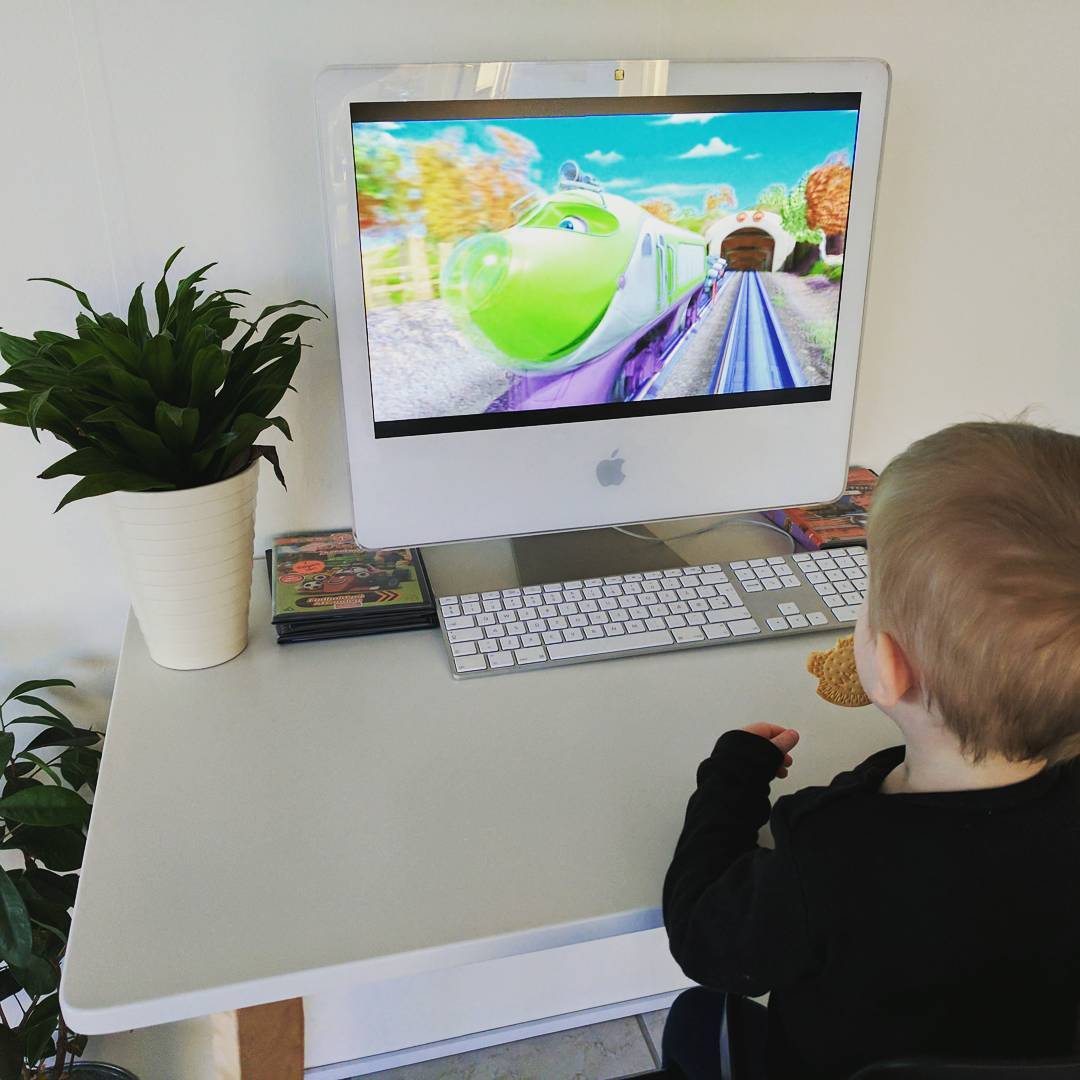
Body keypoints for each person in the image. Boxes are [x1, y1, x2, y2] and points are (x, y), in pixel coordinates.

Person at [661, 421, 1080, 1080]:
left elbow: (703, 938)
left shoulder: (827, 847)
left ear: (887, 669)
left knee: (696, 1018)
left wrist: (731, 780)